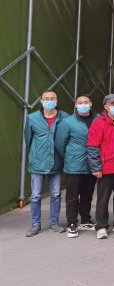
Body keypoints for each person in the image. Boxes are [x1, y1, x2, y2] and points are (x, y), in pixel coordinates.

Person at [24, 90, 69, 236]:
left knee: (55, 194)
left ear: (57, 100)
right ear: (41, 100)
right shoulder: (32, 118)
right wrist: (34, 155)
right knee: (36, 195)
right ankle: (35, 224)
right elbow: (28, 140)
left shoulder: (64, 117)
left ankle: (54, 223)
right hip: (38, 162)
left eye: (52, 98)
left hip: (56, 161)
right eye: (46, 98)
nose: (49, 101)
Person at [55, 94, 98, 238]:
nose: (83, 104)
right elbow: (60, 144)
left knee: (87, 194)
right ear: (75, 105)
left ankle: (85, 219)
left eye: (86, 102)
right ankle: (72, 223)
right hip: (74, 165)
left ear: (91, 104)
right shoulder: (67, 122)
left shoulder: (98, 119)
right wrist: (70, 157)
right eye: (80, 102)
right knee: (72, 196)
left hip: (92, 163)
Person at [87, 94, 114, 239]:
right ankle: (101, 226)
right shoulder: (98, 123)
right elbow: (92, 147)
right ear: (106, 106)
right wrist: (96, 168)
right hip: (105, 168)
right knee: (103, 199)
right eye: (113, 104)